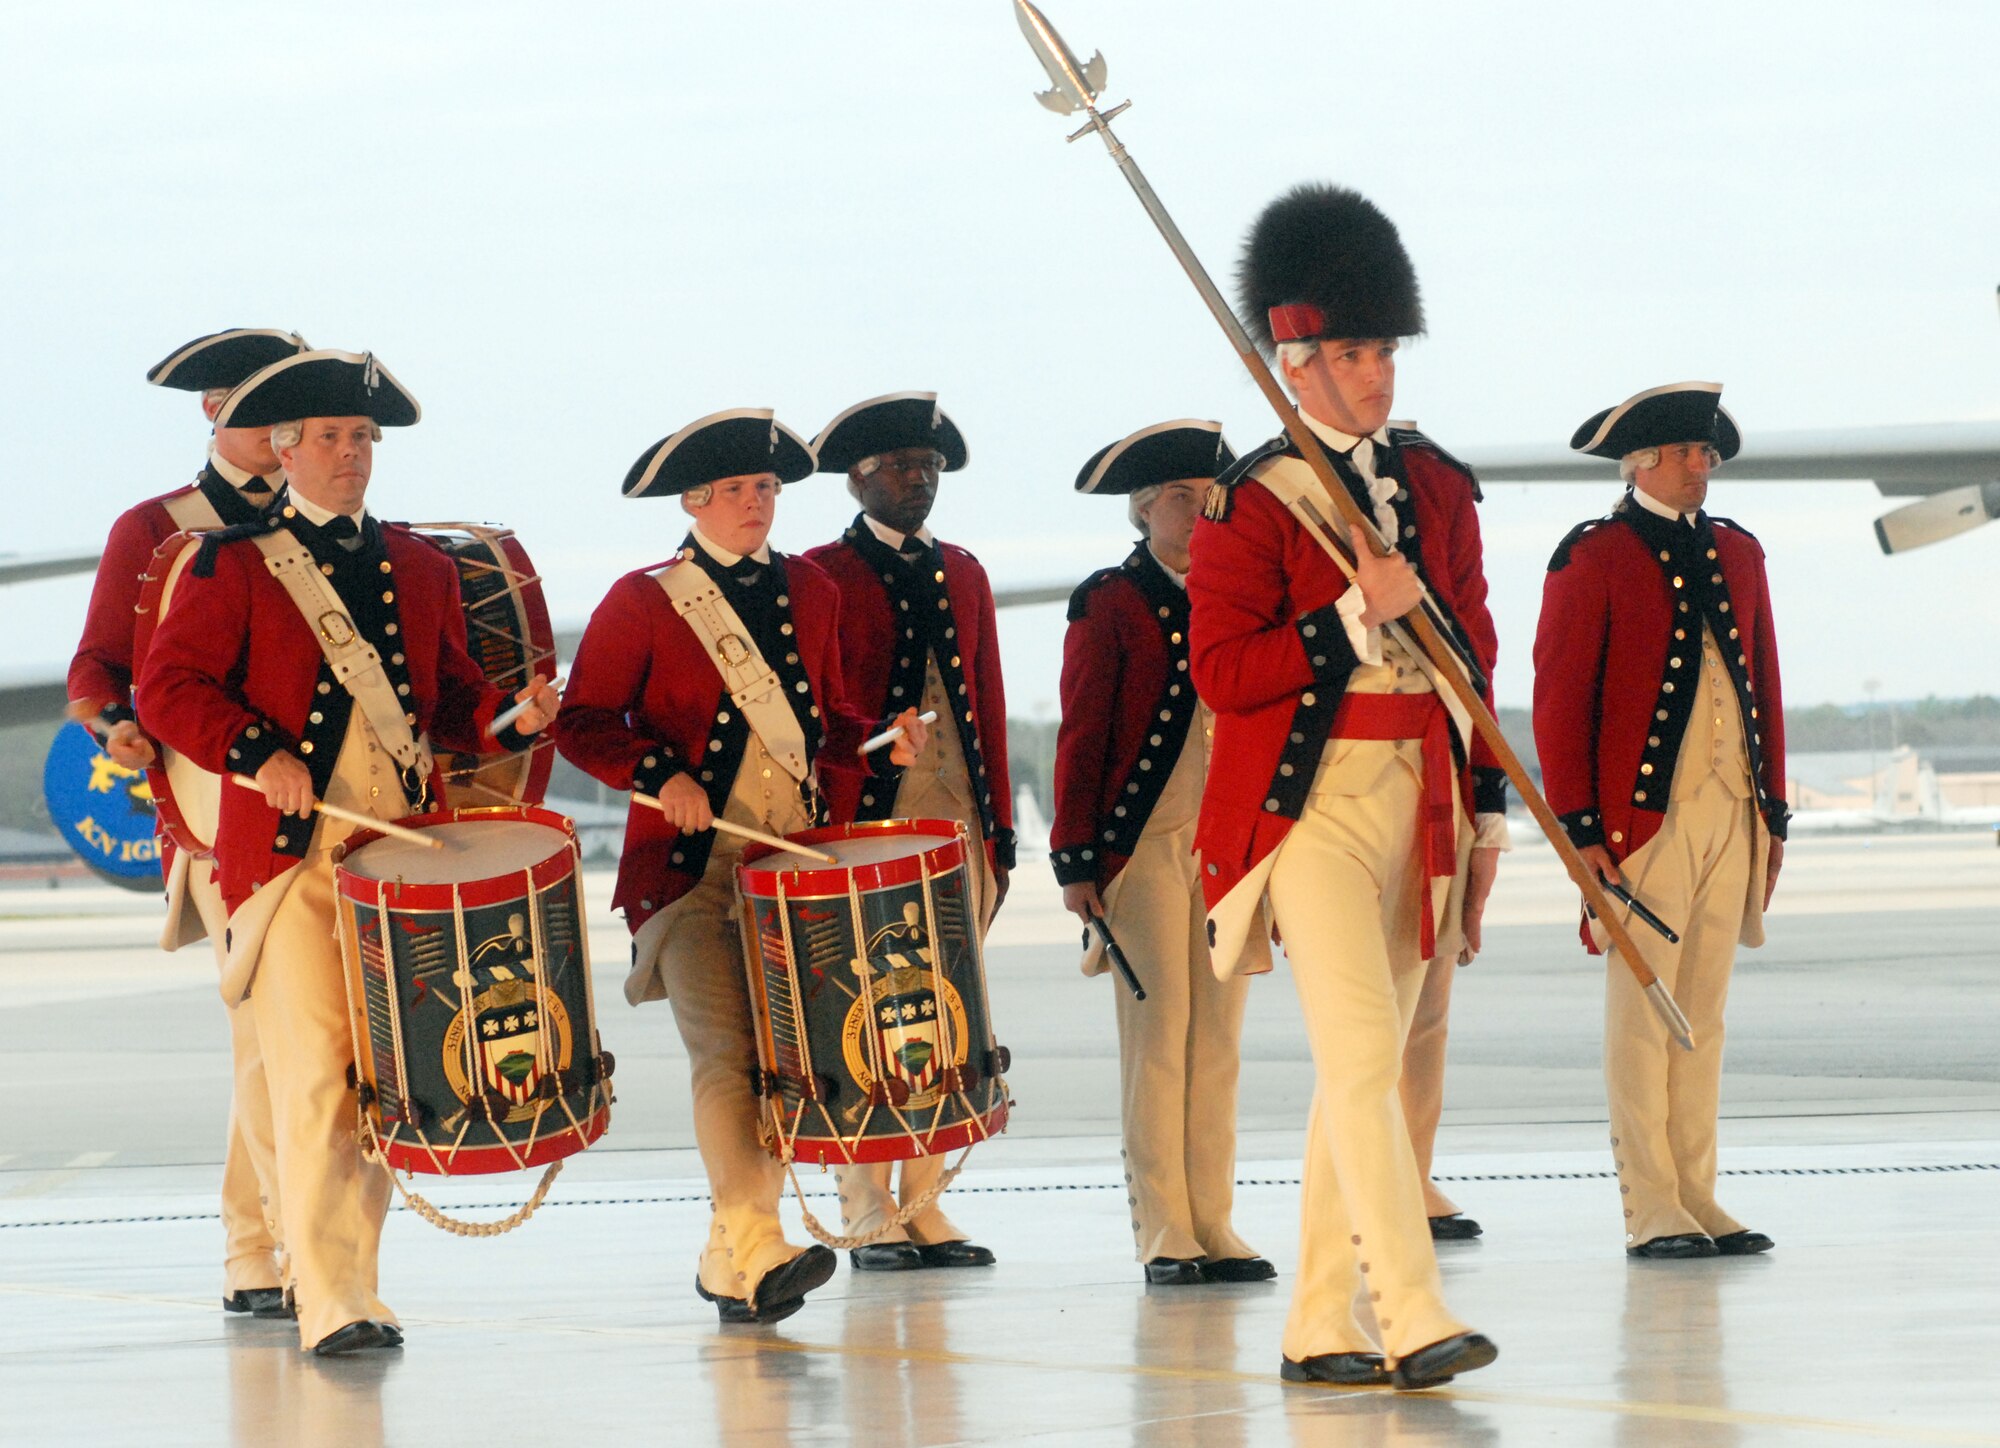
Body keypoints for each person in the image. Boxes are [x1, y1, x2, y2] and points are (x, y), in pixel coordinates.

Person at [136, 349, 557, 1355]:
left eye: (363, 437)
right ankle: (330, 1298)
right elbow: (168, 690)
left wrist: (509, 719)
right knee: (317, 1079)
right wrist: (257, 750)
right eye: (330, 435)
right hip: (288, 862)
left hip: (397, 854)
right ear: (284, 449)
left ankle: (354, 1284)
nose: (351, 452)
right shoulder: (232, 561)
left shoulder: (419, 565)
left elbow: (449, 698)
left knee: (386, 1079)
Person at [1189, 183, 1504, 1389]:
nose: (1376, 374)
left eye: (1381, 351)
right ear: (1294, 362)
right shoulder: (1250, 500)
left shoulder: (1434, 487)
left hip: (1422, 788)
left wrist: (1483, 817)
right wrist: (1339, 616)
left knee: (1357, 1070)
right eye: (1353, 353)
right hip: (1305, 807)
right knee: (1364, 1055)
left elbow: (1472, 654)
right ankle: (1409, 1306)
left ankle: (1317, 1317)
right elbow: (1224, 672)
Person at [555, 408, 928, 1322]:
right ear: (692, 501)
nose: (756, 503)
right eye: (735, 491)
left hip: (791, 865)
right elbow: (585, 722)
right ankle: (760, 1243)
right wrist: (657, 773)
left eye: (765, 489)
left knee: (780, 1061)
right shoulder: (642, 599)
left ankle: (731, 1254)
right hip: (689, 867)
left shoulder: (813, 591)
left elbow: (826, 726)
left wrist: (880, 746)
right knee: (726, 1055)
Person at [67, 327, 307, 1319]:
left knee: (283, 1043)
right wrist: (119, 724)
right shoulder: (153, 527)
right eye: (260, 409)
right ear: (211, 412)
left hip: (323, 808)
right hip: (215, 815)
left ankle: (261, 1248)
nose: (279, 428)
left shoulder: (329, 521)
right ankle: (276, 1250)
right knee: (266, 1037)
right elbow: (96, 667)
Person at [1533, 382, 1786, 1260]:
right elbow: (1562, 702)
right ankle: (1651, 1206)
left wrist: (1773, 810)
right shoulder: (1593, 557)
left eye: (1706, 454)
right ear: (1640, 461)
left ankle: (1698, 1193)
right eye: (1685, 453)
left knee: (1705, 1013)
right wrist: (1579, 830)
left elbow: (1766, 690)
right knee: (1648, 1013)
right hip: (1643, 824)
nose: (1700, 467)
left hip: (1731, 811)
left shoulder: (1740, 554)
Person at [1052, 419, 1274, 1287]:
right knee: (1159, 1039)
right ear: (1144, 508)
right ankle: (1163, 1230)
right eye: (1182, 497)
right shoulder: (1109, 600)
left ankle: (1214, 1220)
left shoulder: (1241, 593)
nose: (1197, 512)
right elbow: (1084, 733)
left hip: (1227, 845)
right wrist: (1075, 860)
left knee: (1217, 1040)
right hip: (1141, 845)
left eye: (1208, 498)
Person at [802, 392, 1009, 1273]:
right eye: (897, 468)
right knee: (864, 1006)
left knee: (947, 1006)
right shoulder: (819, 575)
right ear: (857, 480)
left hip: (954, 812)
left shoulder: (963, 570)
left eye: (926, 467)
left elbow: (989, 702)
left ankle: (925, 1201)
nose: (916, 480)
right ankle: (863, 1201)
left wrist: (997, 826)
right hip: (869, 819)